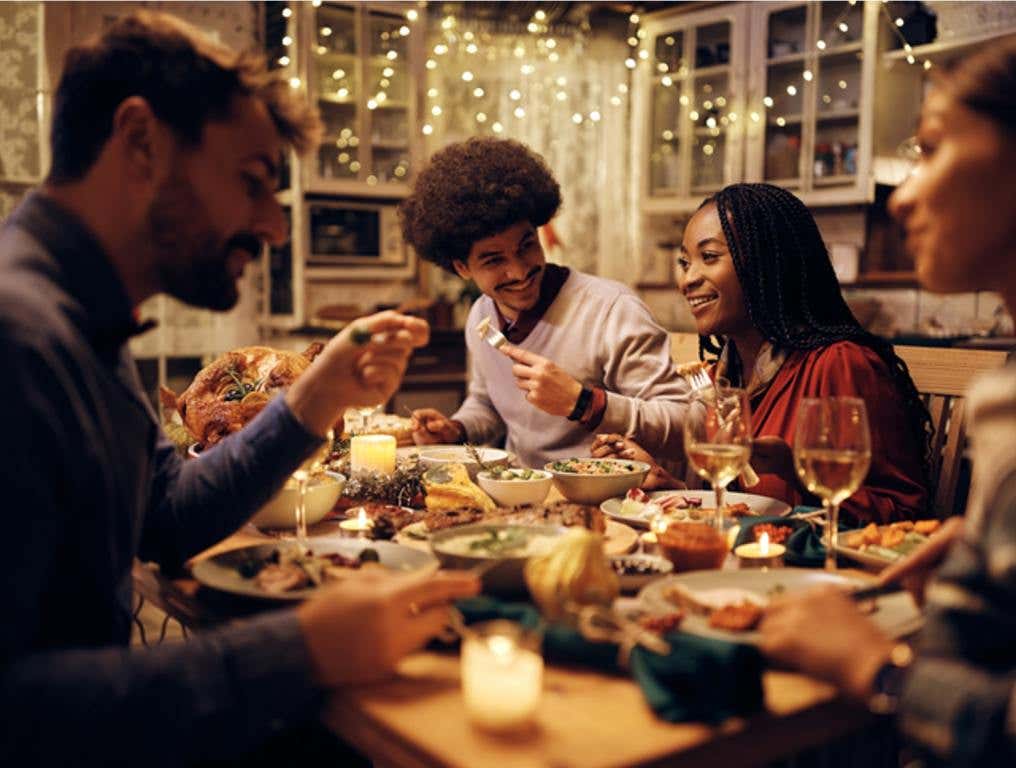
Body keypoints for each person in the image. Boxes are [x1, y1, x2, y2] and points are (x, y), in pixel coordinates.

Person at [0, 13, 477, 766]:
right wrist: (298, 650)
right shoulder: (18, 336)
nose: (273, 227)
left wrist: (313, 401)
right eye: (252, 182)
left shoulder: (83, 323)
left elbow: (165, 515)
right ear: (141, 142)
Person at [759, 38, 1016, 767]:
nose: (900, 194)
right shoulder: (1005, 391)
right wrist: (983, 545)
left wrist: (879, 672)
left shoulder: (844, 359)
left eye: (931, 149)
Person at [593, 183, 930, 525]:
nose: (687, 279)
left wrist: (797, 472)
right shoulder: (723, 378)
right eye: (684, 262)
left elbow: (904, 514)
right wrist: (672, 488)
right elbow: (742, 512)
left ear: (767, 264)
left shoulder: (839, 363)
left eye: (708, 257)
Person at [400, 137, 689, 469]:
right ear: (462, 268)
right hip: (520, 496)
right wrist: (456, 429)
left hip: (608, 500)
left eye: (526, 245)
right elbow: (487, 404)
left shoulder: (612, 309)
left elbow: (685, 422)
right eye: (494, 260)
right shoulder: (481, 316)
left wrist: (584, 403)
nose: (520, 271)